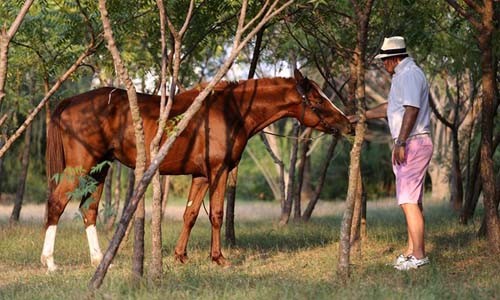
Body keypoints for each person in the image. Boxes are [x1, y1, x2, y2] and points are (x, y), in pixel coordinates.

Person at [348, 36, 433, 270]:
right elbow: (391, 107)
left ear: (394, 58)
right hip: (409, 142)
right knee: (411, 201)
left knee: (407, 200)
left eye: (385, 60)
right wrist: (361, 116)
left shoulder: (410, 74)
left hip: (412, 142)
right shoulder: (401, 77)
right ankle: (411, 251)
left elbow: (412, 109)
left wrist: (402, 142)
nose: (383, 65)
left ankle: (419, 256)